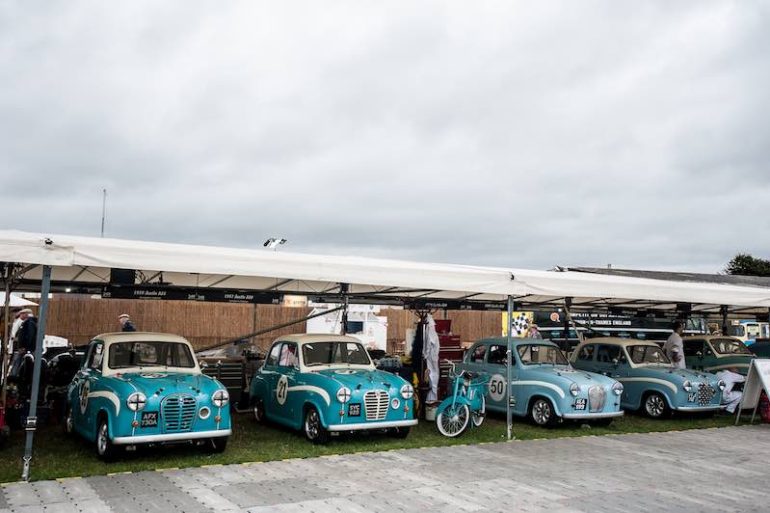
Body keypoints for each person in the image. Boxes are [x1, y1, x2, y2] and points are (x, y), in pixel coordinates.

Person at [10, 308, 37, 376]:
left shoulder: (29, 323)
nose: (20, 316)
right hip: (23, 349)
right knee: (18, 363)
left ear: (26, 314)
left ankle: (14, 378)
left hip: (25, 349)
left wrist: (24, 347)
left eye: (21, 314)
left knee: (19, 364)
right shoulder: (27, 322)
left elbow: (29, 336)